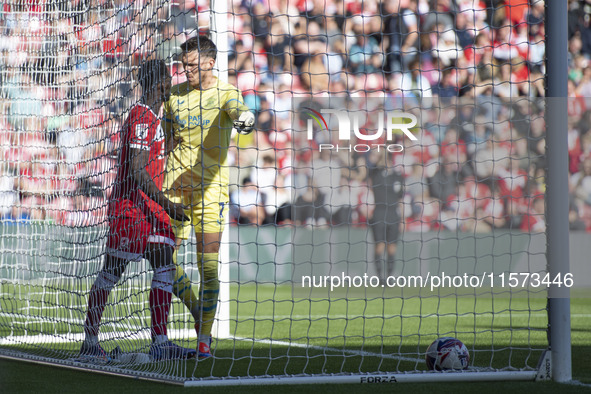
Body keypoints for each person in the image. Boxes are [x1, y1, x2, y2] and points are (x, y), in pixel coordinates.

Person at [79, 59, 196, 362]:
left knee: (165, 264)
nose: (171, 85)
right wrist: (169, 204)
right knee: (112, 272)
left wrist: (170, 144)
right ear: (160, 84)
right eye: (168, 80)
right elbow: (137, 170)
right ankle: (90, 342)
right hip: (131, 210)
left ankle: (160, 342)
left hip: (149, 211)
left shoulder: (153, 118)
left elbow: (150, 156)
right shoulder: (142, 116)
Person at [162, 36, 254, 359]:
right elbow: (167, 141)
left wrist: (245, 120)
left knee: (209, 266)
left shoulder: (226, 93)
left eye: (191, 64)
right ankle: (201, 312)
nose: (185, 70)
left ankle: (203, 340)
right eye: (183, 64)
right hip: (173, 190)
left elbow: (239, 111)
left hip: (211, 191)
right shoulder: (173, 96)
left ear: (209, 63)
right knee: (161, 259)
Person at [366, 150, 405, 281]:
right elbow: (368, 164)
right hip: (379, 212)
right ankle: (379, 277)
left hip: (393, 213)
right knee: (380, 245)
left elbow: (401, 199)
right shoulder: (375, 173)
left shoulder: (398, 176)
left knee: (392, 247)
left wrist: (402, 219)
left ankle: (389, 277)